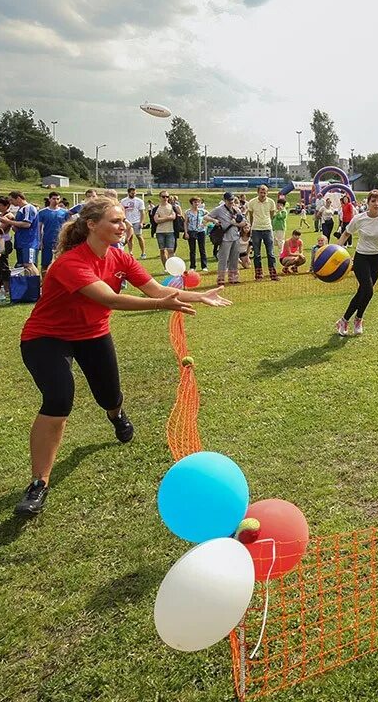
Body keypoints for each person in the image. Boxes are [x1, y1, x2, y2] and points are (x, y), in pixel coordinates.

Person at [14, 198, 230, 515]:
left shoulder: (120, 257)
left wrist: (199, 295)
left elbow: (156, 290)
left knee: (110, 396)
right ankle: (38, 484)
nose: (123, 225)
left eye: (123, 220)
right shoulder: (70, 263)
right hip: (47, 336)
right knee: (58, 399)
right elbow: (111, 300)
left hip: (93, 333)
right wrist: (161, 306)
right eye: (115, 220)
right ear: (91, 225)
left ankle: (116, 415)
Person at [336, 190, 378, 336]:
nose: (376, 204)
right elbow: (346, 233)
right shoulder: (359, 218)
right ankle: (350, 320)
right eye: (373, 201)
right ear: (368, 203)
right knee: (368, 290)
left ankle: (349, 320)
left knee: (363, 291)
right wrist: (336, 248)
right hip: (361, 258)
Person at [244, 185, 280, 281]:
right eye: (261, 192)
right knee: (257, 254)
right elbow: (251, 216)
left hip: (267, 229)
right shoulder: (252, 202)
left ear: (267, 193)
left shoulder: (271, 202)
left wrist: (267, 223)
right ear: (258, 192)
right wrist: (252, 227)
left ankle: (273, 274)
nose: (263, 194)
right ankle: (258, 274)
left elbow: (272, 214)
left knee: (270, 253)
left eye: (265, 192)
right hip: (256, 229)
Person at [209, 192, 243, 285]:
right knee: (223, 259)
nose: (231, 202)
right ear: (225, 200)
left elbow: (243, 222)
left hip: (235, 237)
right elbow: (206, 216)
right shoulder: (219, 210)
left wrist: (235, 223)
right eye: (229, 200)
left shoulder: (237, 210)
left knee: (234, 259)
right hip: (225, 238)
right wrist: (214, 220)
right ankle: (221, 278)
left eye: (232, 200)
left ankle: (233, 278)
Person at [36, 192, 69, 269]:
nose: (56, 201)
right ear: (50, 199)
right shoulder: (42, 212)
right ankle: (44, 279)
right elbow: (39, 228)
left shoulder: (64, 212)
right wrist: (39, 241)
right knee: (46, 263)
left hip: (61, 240)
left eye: (57, 199)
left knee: (61, 261)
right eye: (54, 199)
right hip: (47, 240)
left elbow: (68, 226)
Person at [8, 191, 40, 271]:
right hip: (21, 242)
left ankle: (36, 282)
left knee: (29, 264)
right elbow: (18, 227)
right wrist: (13, 224)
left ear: (18, 198)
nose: (11, 202)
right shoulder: (21, 209)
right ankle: (26, 282)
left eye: (12, 200)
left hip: (29, 242)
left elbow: (27, 224)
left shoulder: (28, 208)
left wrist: (8, 222)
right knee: (22, 265)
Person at [119, 187, 146, 258]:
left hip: (136, 221)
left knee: (139, 236)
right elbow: (121, 211)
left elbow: (142, 212)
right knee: (129, 237)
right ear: (128, 193)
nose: (134, 194)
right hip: (127, 222)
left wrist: (141, 222)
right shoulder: (123, 201)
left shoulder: (139, 201)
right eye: (132, 193)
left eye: (135, 193)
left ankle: (143, 252)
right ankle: (131, 252)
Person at [183, 197, 208, 272]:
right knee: (192, 250)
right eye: (195, 202)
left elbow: (209, 216)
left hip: (201, 231)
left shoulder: (202, 211)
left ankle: (204, 266)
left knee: (202, 249)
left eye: (198, 202)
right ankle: (192, 266)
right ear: (192, 203)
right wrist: (186, 232)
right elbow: (186, 222)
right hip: (191, 231)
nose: (197, 204)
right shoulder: (188, 212)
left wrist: (205, 223)